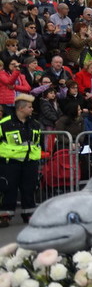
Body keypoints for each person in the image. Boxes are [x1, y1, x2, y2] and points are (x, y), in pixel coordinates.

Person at [0, 94, 43, 227]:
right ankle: (5, 215)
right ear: (21, 109)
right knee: (8, 188)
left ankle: (29, 214)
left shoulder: (35, 123)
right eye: (29, 107)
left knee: (29, 188)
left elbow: (37, 142)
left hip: (30, 162)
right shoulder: (4, 124)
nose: (32, 109)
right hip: (10, 162)